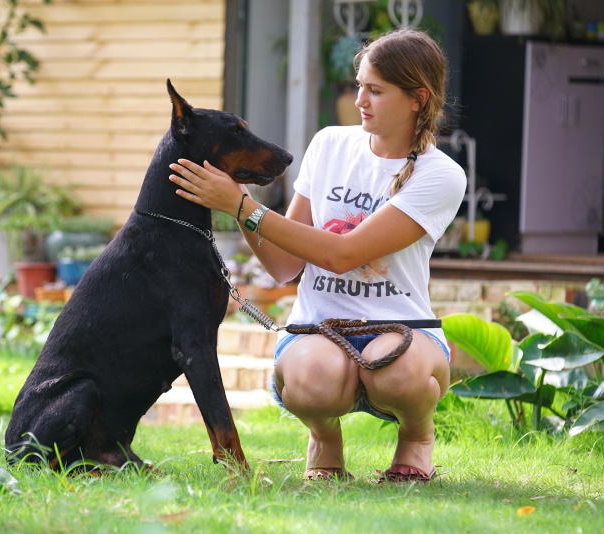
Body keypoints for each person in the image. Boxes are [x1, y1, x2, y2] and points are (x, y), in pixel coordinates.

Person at [169, 28, 466, 484]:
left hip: (404, 329)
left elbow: (343, 254)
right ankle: (325, 440)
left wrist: (241, 206)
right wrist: (238, 197)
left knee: (396, 372)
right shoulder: (329, 144)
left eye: (376, 90)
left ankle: (416, 438)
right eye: (359, 85)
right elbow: (285, 265)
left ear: (417, 99)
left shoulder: (441, 175)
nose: (360, 99)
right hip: (318, 328)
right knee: (312, 379)